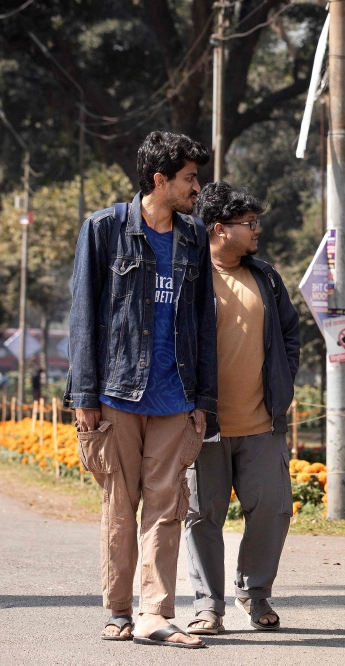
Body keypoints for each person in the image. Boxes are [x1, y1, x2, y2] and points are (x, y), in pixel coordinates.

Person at [64, 131, 215, 648]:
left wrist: (203, 400)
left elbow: (204, 322)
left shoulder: (194, 236)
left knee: (167, 508)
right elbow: (83, 316)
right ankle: (119, 609)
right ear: (160, 180)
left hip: (176, 396)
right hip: (116, 394)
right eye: (189, 178)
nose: (197, 187)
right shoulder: (104, 229)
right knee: (119, 506)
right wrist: (84, 396)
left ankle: (155, 613)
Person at [183, 183, 300, 635]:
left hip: (261, 423)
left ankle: (255, 593)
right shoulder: (189, 275)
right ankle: (208, 605)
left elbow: (289, 334)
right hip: (202, 425)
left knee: (273, 508)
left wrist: (283, 381)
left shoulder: (266, 277)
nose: (256, 230)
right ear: (219, 229)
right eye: (249, 223)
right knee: (202, 515)